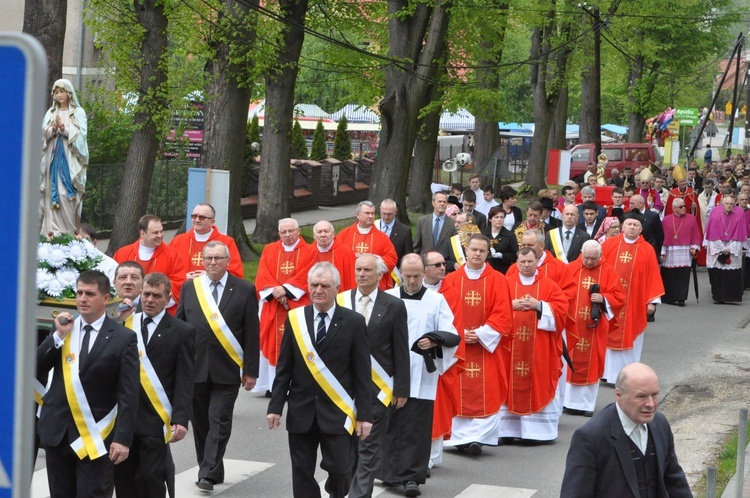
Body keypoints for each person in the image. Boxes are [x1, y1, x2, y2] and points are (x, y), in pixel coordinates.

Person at [267, 262, 373, 498]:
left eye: (324, 285)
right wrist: (275, 407)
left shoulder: (354, 322)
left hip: (337, 410)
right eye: (314, 285)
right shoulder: (295, 319)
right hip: (301, 410)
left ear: (337, 288)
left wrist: (365, 415)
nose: (318, 290)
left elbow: (362, 373)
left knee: (340, 470)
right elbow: (284, 368)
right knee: (302, 471)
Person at [36, 270, 139, 498]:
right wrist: (57, 337)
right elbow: (36, 367)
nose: (82, 298)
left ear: (105, 298)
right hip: (58, 432)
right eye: (79, 292)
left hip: (96, 434)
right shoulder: (64, 329)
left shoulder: (123, 338)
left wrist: (122, 439)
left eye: (90, 294)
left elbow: (128, 393)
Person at [176, 241, 259, 491]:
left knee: (219, 420)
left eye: (218, 258)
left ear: (228, 260)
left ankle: (207, 472)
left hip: (227, 369)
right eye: (209, 258)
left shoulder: (244, 289)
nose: (213, 262)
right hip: (195, 368)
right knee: (201, 424)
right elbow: (180, 327)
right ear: (202, 261)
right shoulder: (190, 288)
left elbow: (252, 334)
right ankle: (212, 467)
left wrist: (251, 370)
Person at [378, 254, 459, 496]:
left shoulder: (436, 300)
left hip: (421, 372)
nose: (412, 281)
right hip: (390, 372)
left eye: (416, 275)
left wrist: (434, 341)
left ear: (424, 273)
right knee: (390, 423)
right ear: (400, 273)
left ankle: (413, 477)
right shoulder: (388, 298)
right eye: (407, 275)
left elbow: (450, 332)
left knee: (416, 426)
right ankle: (389, 472)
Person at [114, 273, 195, 498]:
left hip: (156, 418)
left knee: (151, 478)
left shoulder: (182, 331)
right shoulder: (125, 325)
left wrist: (180, 418)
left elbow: (185, 379)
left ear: (168, 298)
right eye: (146, 294)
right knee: (123, 478)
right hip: (124, 417)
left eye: (157, 296)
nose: (150, 300)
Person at [560, 363, 691, 498]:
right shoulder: (591, 437)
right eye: (641, 396)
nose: (650, 404)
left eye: (654, 395)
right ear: (619, 395)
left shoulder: (660, 424)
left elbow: (675, 481)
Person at [338, 255, 410, 498]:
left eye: (367, 270)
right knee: (346, 450)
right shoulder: (341, 300)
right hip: (344, 390)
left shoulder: (394, 305)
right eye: (358, 269)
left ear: (380, 275)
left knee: (368, 449)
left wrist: (401, 387)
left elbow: (400, 349)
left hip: (377, 390)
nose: (361, 274)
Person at [443, 235, 512, 454]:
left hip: (485, 348)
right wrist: (461, 334)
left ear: (487, 253)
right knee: (457, 388)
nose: (477, 254)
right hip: (458, 347)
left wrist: (481, 334)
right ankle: (457, 438)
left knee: (488, 389)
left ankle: (479, 438)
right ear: (466, 249)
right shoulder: (451, 280)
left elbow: (503, 313)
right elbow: (444, 311)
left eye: (482, 251)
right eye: (474, 249)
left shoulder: (498, 280)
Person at [498, 247, 568, 442]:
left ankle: (536, 433)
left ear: (537, 262)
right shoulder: (506, 283)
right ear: (516, 263)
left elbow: (562, 313)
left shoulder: (550, 285)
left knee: (539, 380)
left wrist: (539, 306)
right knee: (508, 383)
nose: (526, 265)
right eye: (522, 262)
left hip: (540, 348)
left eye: (530, 262)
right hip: (510, 347)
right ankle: (507, 431)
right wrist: (511, 305)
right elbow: (492, 308)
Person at [563, 241, 625, 417]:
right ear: (581, 253)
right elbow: (560, 292)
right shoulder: (571, 268)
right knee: (569, 361)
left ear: (600, 256)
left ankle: (585, 405)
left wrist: (603, 298)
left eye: (593, 258)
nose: (589, 262)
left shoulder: (608, 271)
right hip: (573, 326)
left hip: (593, 327)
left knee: (591, 362)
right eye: (586, 258)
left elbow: (619, 297)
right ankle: (568, 402)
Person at [601, 214, 664, 383]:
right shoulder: (610, 244)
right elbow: (599, 271)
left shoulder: (647, 249)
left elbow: (653, 276)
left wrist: (652, 302)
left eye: (635, 225)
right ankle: (607, 374)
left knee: (632, 336)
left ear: (641, 229)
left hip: (634, 303)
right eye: (628, 224)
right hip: (611, 301)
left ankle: (627, 376)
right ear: (622, 226)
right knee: (607, 335)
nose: (631, 227)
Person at [254, 218, 313, 393]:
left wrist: (286, 290)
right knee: (270, 341)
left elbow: (307, 274)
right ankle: (272, 385)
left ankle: (293, 385)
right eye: (284, 232)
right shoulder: (269, 249)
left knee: (296, 342)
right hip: (273, 304)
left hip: (297, 305)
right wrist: (278, 293)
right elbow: (263, 273)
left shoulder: (309, 251)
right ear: (279, 233)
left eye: (291, 231)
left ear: (298, 231)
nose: (288, 235)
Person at [40, 79, 89, 235]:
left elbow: (81, 136)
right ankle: (51, 231)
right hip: (53, 157)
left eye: (62, 92)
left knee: (66, 194)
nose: (59, 95)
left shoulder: (77, 113)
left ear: (69, 93)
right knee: (51, 193)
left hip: (69, 158)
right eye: (56, 92)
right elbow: (42, 136)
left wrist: (64, 128)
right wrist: (52, 129)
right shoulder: (51, 113)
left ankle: (69, 231)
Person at [113, 214, 187, 313]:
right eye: (155, 232)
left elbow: (178, 285)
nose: (160, 235)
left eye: (161, 231)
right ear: (143, 233)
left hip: (160, 312)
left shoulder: (173, 255)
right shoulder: (122, 253)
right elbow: (113, 282)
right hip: (126, 310)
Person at [169, 203, 244, 279]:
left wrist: (210, 276)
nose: (197, 220)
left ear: (212, 221)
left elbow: (235, 271)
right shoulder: (178, 241)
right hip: (185, 288)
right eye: (194, 216)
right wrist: (183, 277)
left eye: (202, 217)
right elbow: (167, 269)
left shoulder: (226, 242)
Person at [338, 201, 399, 289]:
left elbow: (392, 259)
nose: (370, 216)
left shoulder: (382, 237)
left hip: (373, 285)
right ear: (358, 215)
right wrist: (351, 257)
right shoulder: (344, 234)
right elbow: (336, 255)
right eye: (367, 213)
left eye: (372, 213)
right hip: (349, 282)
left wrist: (372, 258)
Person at [289, 220, 358, 292]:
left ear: (333, 234)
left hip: (339, 296)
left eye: (326, 231)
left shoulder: (346, 251)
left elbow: (352, 278)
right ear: (314, 236)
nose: (323, 235)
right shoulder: (307, 252)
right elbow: (300, 277)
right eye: (319, 232)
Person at [704, 195, 747, 304]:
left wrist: (729, 248)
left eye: (731, 204)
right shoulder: (715, 215)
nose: (729, 206)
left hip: (733, 244)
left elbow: (739, 234)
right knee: (718, 273)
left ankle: (731, 296)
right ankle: (719, 297)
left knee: (731, 273)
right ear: (722, 204)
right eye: (727, 204)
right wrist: (722, 248)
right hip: (718, 245)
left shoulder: (738, 215)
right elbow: (712, 234)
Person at [660, 199, 702, 306]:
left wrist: (694, 247)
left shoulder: (691, 219)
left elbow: (696, 234)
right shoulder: (666, 220)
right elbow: (663, 237)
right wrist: (662, 251)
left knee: (682, 275)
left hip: (684, 251)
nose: (684, 208)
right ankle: (668, 297)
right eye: (681, 207)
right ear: (674, 208)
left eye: (684, 206)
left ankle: (681, 298)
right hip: (670, 251)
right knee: (669, 275)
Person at [376, 199, 413, 266]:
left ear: (395, 212)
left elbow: (408, 256)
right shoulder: (373, 227)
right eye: (384, 213)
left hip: (394, 272)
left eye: (389, 214)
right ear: (380, 210)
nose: (386, 217)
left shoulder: (405, 231)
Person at [483, 206, 518, 273]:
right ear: (490, 219)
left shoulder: (510, 235)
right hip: (486, 269)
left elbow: (515, 255)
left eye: (502, 217)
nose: (499, 219)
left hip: (503, 270)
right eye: (496, 217)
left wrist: (502, 255)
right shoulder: (483, 234)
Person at [629, 194, 665, 260]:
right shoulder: (628, 215)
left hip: (649, 251)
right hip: (632, 251)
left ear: (641, 204)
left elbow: (659, 236)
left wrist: (657, 252)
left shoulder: (653, 216)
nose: (630, 205)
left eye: (632, 203)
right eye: (630, 203)